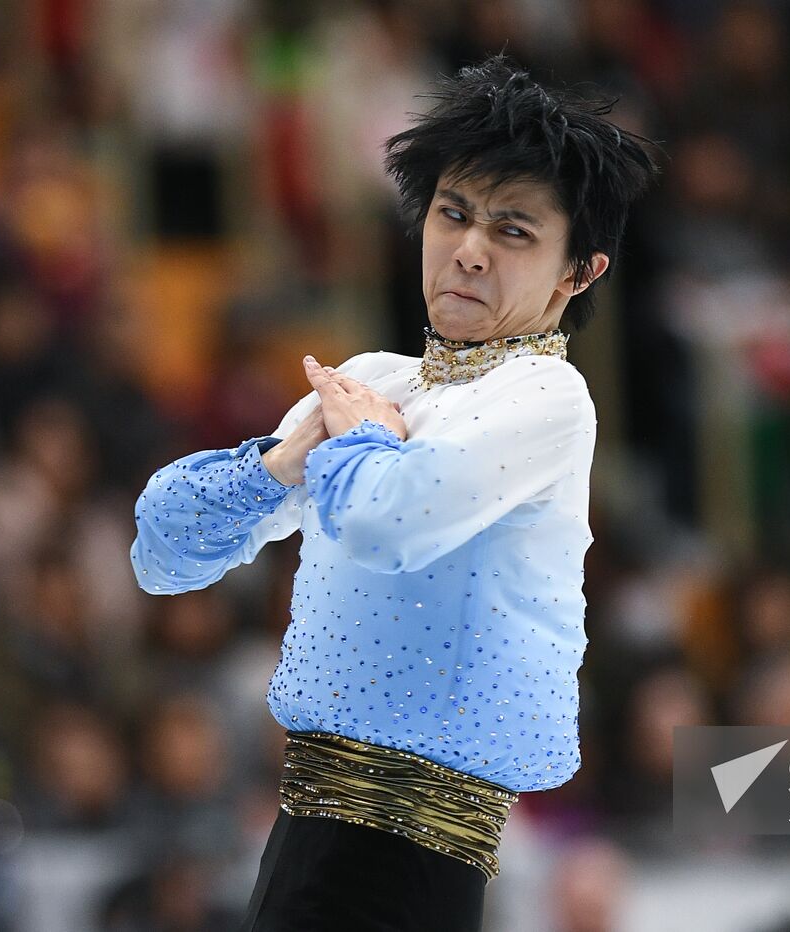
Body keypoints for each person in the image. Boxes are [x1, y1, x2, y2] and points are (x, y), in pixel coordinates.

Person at [129, 55, 660, 931]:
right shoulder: (377, 383)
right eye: (452, 214)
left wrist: (359, 441)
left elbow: (387, 522)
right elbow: (161, 554)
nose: (469, 249)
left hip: (417, 855)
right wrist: (283, 459)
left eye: (514, 231)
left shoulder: (547, 398)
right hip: (302, 831)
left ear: (580, 273)